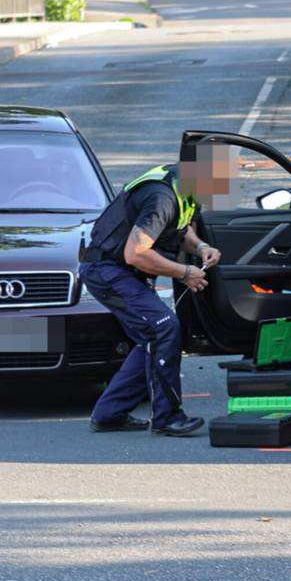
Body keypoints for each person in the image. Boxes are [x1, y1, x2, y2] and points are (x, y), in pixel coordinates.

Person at [78, 147, 230, 437]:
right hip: (107, 270)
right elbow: (135, 253)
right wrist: (184, 272)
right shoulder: (162, 197)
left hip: (121, 271)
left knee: (151, 337)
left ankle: (109, 414)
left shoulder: (183, 190)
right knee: (163, 328)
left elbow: (181, 229)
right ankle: (167, 418)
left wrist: (201, 247)